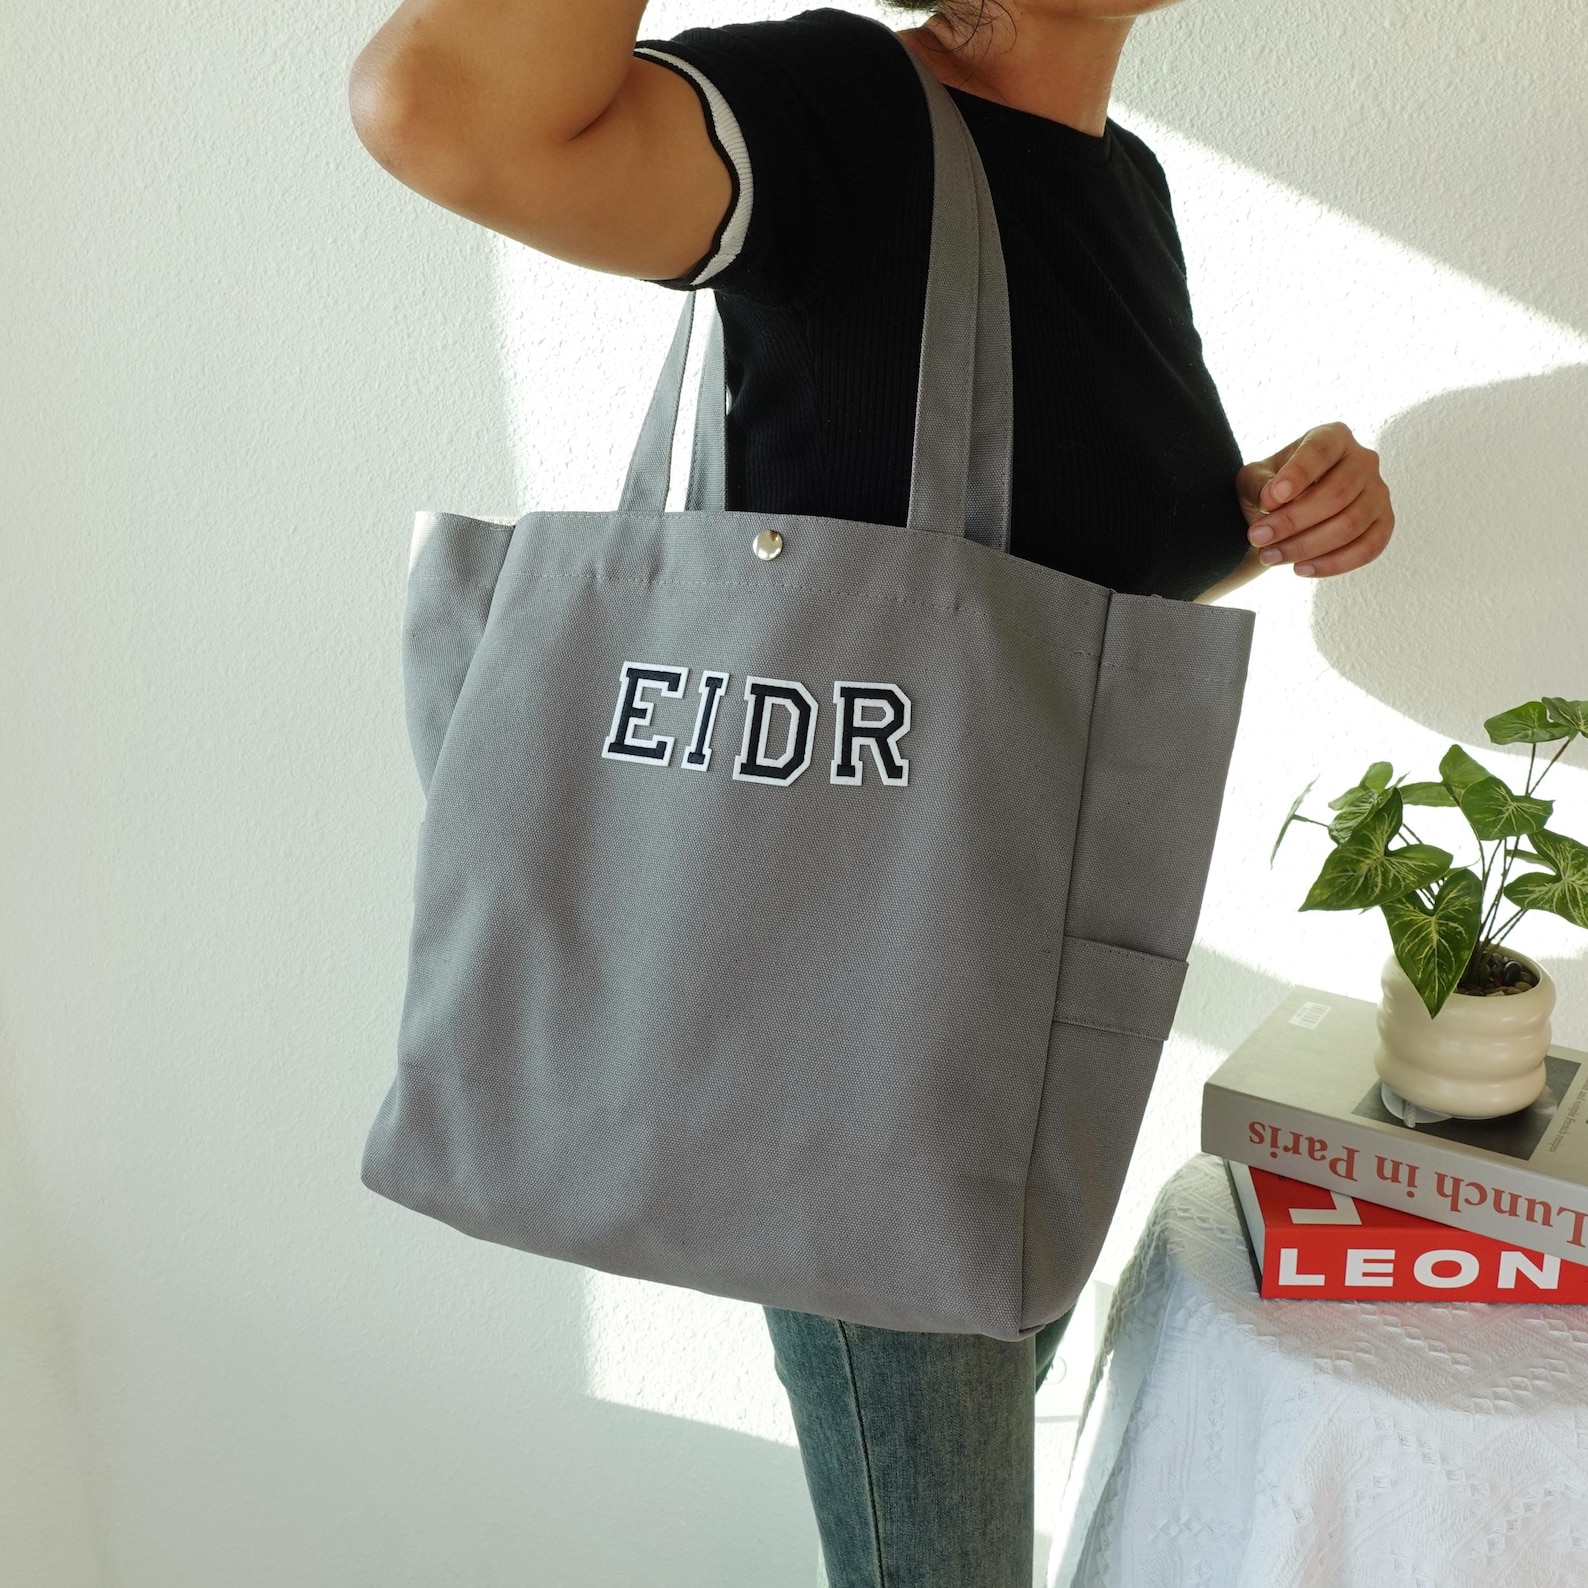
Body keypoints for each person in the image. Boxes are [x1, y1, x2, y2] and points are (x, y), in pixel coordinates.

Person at [348, 4, 1396, 1582]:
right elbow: (438, 107)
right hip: (859, 1038)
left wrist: (1278, 513)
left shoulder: (1119, 182)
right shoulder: (845, 111)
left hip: (1017, 1000)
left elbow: (1050, 598)